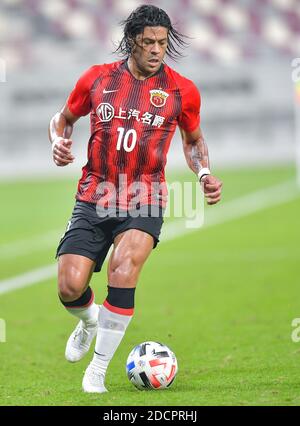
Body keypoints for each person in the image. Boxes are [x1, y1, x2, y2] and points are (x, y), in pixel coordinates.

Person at [48, 4, 222, 394]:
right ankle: (90, 322)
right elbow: (62, 119)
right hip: (95, 193)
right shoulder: (96, 79)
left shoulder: (182, 90)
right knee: (68, 286)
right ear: (132, 41)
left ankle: (97, 371)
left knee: (123, 270)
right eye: (148, 43)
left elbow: (194, 142)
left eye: (162, 43)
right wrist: (58, 141)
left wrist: (204, 173)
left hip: (146, 195)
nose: (156, 50)